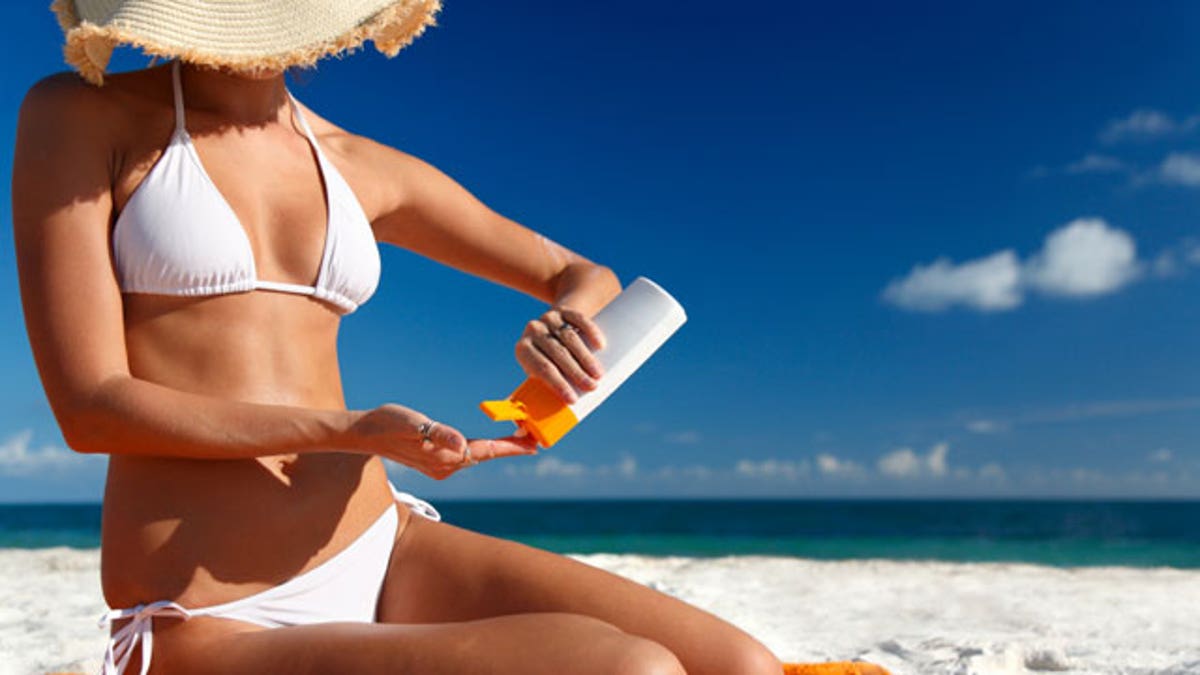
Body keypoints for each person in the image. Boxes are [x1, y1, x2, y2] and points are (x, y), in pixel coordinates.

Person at [12, 1, 785, 673]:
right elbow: (92, 407)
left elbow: (580, 273)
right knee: (635, 669)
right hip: (207, 615)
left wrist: (564, 330)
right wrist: (349, 431)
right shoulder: (81, 117)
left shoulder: (357, 163)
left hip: (382, 548)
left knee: (742, 665)